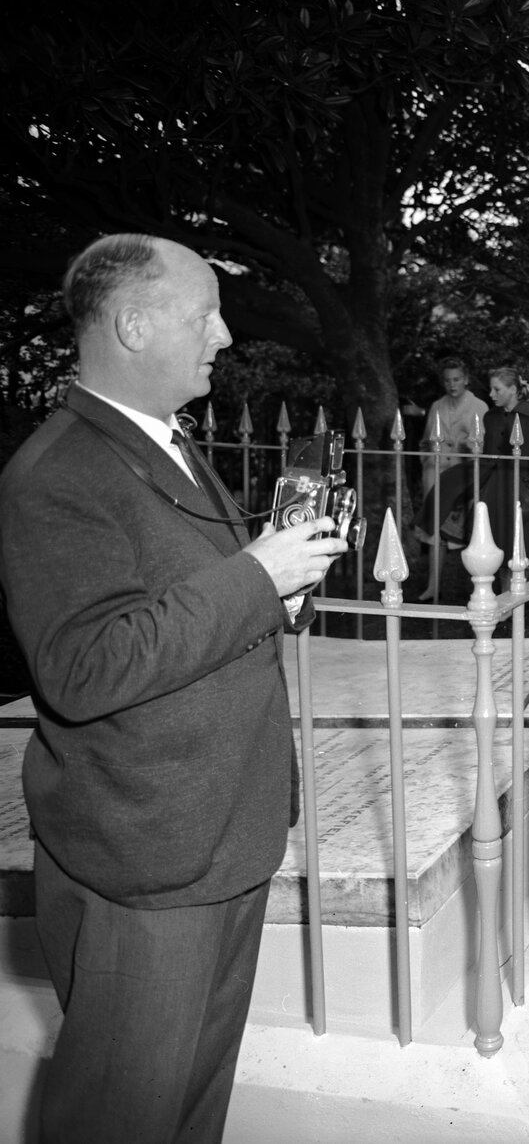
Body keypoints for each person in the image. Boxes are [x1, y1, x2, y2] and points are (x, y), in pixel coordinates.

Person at [0, 234, 348, 1142]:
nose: (224, 336)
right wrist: (255, 577)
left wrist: (279, 588)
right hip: (145, 863)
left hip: (219, 837)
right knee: (120, 1121)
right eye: (206, 316)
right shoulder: (59, 473)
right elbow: (83, 667)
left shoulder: (161, 444)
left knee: (189, 1110)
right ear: (133, 325)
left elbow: (186, 607)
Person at [480, 366, 529, 573]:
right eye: (491, 389)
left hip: (519, 491)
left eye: (497, 390)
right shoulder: (490, 417)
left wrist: (528, 489)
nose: (491, 394)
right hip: (491, 491)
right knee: (491, 546)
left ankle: (518, 589)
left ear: (513, 389)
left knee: (518, 548)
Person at [415, 356, 487, 538]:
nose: (452, 385)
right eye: (447, 380)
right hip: (435, 472)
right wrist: (427, 462)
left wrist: (466, 446)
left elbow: (483, 446)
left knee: (460, 533)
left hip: (462, 475)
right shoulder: (436, 406)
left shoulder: (479, 406)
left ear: (466, 380)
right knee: (433, 531)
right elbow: (425, 442)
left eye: (456, 379)